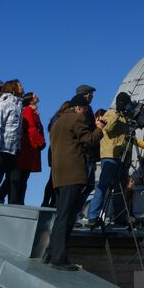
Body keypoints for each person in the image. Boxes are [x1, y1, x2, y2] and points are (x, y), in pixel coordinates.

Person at [46, 103, 105, 270]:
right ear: (79, 107)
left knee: (61, 216)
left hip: (59, 175)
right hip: (72, 174)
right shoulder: (76, 118)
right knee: (67, 217)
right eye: (85, 110)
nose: (85, 114)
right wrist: (99, 128)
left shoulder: (58, 121)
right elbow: (89, 140)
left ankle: (51, 253)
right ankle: (58, 259)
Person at [87, 93, 133, 228]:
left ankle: (119, 217)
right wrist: (118, 112)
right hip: (109, 155)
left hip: (120, 156)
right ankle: (93, 216)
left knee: (119, 188)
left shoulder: (123, 117)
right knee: (103, 185)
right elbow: (108, 127)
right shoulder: (111, 113)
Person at [8, 93, 45, 204]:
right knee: (20, 175)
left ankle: (19, 201)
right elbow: (31, 128)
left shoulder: (33, 112)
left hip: (31, 147)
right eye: (34, 95)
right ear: (30, 100)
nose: (37, 96)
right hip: (27, 146)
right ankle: (15, 201)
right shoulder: (28, 110)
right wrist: (41, 142)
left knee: (24, 176)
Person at [0, 80, 24, 200]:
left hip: (13, 150)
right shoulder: (3, 104)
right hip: (0, 148)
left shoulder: (18, 106)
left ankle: (13, 204)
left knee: (15, 178)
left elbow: (18, 130)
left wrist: (18, 147)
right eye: (19, 85)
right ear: (13, 88)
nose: (22, 87)